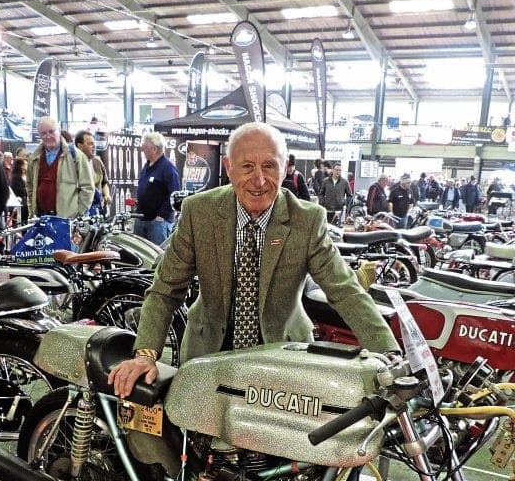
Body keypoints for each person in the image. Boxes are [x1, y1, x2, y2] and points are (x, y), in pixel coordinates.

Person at [108, 122, 398, 396]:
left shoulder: (307, 220)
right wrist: (145, 354)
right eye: (247, 166)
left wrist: (390, 355)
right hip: (208, 353)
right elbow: (165, 290)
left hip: (282, 356)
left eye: (269, 166)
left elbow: (345, 291)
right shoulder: (200, 213)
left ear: (284, 168)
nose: (258, 180)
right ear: (229, 168)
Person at [25, 116, 94, 219]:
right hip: (40, 218)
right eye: (43, 133)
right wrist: (32, 212)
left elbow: (88, 188)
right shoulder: (34, 158)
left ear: (59, 131)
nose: (48, 136)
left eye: (51, 131)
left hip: (66, 221)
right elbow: (30, 187)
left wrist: (78, 214)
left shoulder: (76, 156)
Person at [134, 132, 181, 245]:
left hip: (158, 222)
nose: (142, 149)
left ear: (154, 149)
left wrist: (162, 215)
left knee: (157, 257)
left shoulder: (168, 168)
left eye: (145, 147)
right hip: (142, 219)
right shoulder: (147, 166)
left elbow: (175, 193)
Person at [75, 129, 110, 214]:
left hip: (97, 210)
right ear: (80, 146)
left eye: (94, 143)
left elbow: (104, 183)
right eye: (90, 144)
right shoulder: (72, 164)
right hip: (80, 210)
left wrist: (106, 195)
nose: (94, 146)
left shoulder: (97, 162)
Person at [10, 156, 28, 225]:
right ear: (20, 166)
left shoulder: (26, 175)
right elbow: (18, 191)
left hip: (25, 205)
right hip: (18, 204)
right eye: (25, 164)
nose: (27, 166)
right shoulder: (16, 177)